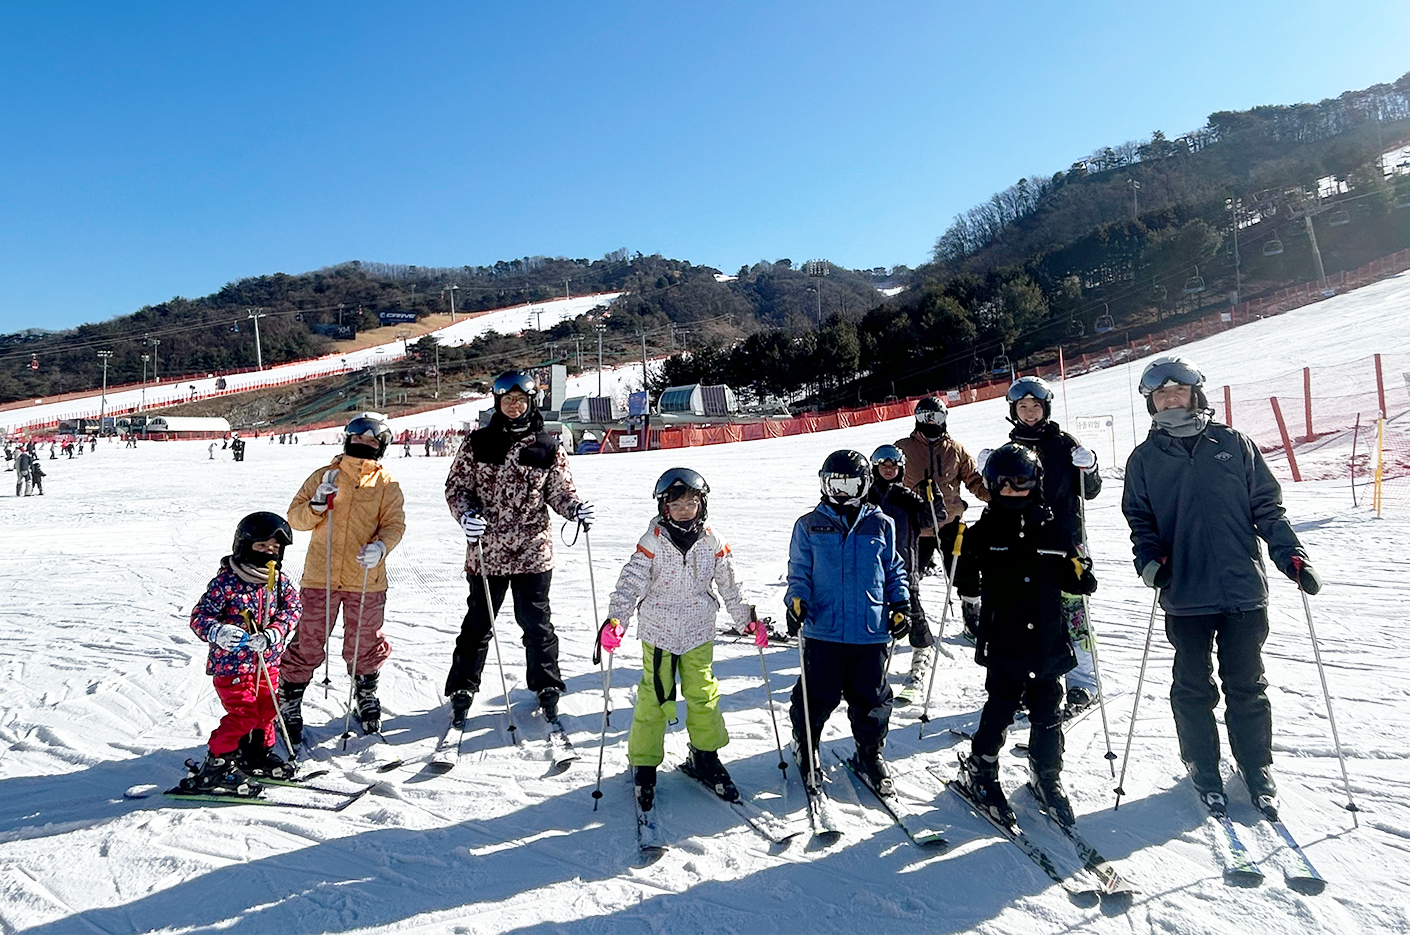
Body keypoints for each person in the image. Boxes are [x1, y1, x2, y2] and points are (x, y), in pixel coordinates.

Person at [1122, 356, 1318, 818]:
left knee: (1247, 684)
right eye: (1162, 394)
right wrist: (1149, 562)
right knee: (1192, 686)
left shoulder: (1232, 444)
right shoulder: (1145, 459)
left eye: (1179, 392)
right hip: (1185, 591)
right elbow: (1140, 521)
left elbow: (1267, 508)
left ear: (1196, 395)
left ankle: (1256, 765)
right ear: (1152, 402)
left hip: (1242, 588)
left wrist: (1291, 555)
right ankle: (1202, 764)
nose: (1171, 400)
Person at [953, 443, 1098, 826]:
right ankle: (982, 768)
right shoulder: (984, 531)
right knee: (1001, 706)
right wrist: (960, 558)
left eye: (1021, 481)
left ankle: (1046, 773)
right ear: (991, 484)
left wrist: (1082, 574)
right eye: (1003, 482)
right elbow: (965, 578)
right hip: (1005, 637)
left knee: (1048, 708)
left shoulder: (1053, 529)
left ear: (1036, 482)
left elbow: (1073, 578)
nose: (1012, 489)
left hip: (1047, 637)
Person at [599, 468, 755, 811]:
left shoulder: (712, 541)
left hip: (699, 631)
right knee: (654, 698)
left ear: (702, 504)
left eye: (691, 503)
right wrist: (616, 620)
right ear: (664, 507)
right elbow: (630, 583)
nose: (684, 510)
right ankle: (644, 762)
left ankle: (705, 754)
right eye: (676, 504)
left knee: (703, 694)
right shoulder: (653, 541)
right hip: (659, 633)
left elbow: (730, 584)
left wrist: (747, 619)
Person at [443, 371, 593, 727]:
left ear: (530, 403)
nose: (514, 406)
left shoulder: (546, 445)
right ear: (498, 403)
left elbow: (559, 491)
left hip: (532, 551)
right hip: (488, 551)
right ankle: (463, 686)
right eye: (508, 400)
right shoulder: (477, 443)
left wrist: (574, 508)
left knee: (537, 623)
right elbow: (457, 488)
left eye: (521, 400)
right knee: (478, 622)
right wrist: (466, 516)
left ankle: (546, 684)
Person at [786, 450, 910, 795]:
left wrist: (900, 605)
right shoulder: (809, 525)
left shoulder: (881, 523)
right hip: (824, 628)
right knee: (816, 695)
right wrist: (797, 600)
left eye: (850, 485)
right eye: (835, 485)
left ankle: (869, 752)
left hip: (869, 630)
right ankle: (806, 745)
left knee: (871, 699)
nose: (842, 493)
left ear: (865, 484)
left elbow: (893, 570)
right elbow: (799, 571)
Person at [283, 413, 406, 739]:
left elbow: (394, 524)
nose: (364, 444)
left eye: (372, 440)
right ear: (348, 439)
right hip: (320, 577)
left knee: (365, 641)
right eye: (359, 438)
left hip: (365, 579)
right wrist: (316, 506)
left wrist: (382, 546)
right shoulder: (324, 476)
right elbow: (295, 519)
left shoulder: (386, 484)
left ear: (381, 446)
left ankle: (365, 694)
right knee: (308, 639)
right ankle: (290, 699)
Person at [993, 376, 1103, 712]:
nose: (1029, 412)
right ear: (1014, 410)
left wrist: (1090, 468)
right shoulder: (1011, 448)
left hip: (1066, 541)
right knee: (1032, 614)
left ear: (1046, 408)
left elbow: (1089, 490)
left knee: (1073, 612)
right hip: (1025, 543)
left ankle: (1083, 683)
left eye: (1035, 406)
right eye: (1023, 406)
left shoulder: (1063, 443)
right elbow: (1000, 499)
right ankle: (1037, 680)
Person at [180, 512, 302, 796]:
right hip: (232, 666)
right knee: (244, 714)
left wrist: (275, 633)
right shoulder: (227, 582)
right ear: (245, 545)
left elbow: (293, 609)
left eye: (274, 548)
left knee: (267, 710)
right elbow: (200, 617)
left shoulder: (278, 581)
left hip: (267, 663)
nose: (268, 553)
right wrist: (218, 632)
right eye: (261, 546)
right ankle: (217, 765)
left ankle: (256, 754)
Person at [894, 396, 989, 640]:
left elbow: (973, 479)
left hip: (950, 524)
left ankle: (972, 615)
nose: (931, 422)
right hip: (917, 525)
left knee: (966, 571)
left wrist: (995, 496)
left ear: (944, 419)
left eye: (936, 417)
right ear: (917, 419)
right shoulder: (903, 448)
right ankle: (906, 618)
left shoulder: (955, 449)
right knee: (906, 575)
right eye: (925, 417)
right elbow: (889, 479)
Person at [866, 445, 935, 702]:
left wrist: (932, 499)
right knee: (875, 616)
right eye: (883, 466)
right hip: (872, 570)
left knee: (912, 612)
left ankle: (920, 658)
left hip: (905, 567)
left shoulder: (907, 497)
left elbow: (932, 520)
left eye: (893, 466)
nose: (888, 470)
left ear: (901, 469)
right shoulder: (866, 497)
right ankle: (871, 665)